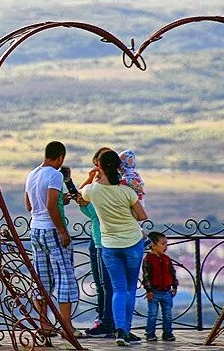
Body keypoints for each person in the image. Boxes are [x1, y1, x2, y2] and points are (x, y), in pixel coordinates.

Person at [82, 149, 148, 347]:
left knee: (118, 289)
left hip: (109, 245)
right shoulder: (126, 191)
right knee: (129, 289)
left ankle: (119, 330)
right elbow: (142, 216)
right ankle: (125, 331)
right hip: (132, 243)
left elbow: (80, 194)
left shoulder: (93, 190)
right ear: (119, 167)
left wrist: (92, 176)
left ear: (99, 166)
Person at [24, 141, 82, 338]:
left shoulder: (32, 173)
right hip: (52, 230)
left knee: (42, 279)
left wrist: (58, 201)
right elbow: (50, 205)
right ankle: (67, 326)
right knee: (65, 276)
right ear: (60, 157)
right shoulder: (55, 175)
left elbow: (29, 205)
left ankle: (45, 324)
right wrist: (62, 231)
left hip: (35, 230)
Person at [78, 148, 115, 338]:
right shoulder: (98, 186)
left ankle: (107, 320)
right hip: (97, 238)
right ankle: (104, 318)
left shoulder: (101, 189)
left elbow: (81, 200)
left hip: (103, 240)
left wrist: (89, 180)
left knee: (106, 285)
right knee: (103, 284)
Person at [142, 231, 177, 342]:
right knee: (152, 314)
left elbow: (172, 272)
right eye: (163, 244)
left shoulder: (166, 259)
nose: (165, 246)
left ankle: (168, 333)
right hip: (154, 291)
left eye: (166, 243)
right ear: (153, 245)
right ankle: (150, 333)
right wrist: (148, 290)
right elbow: (146, 276)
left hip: (166, 291)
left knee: (168, 314)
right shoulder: (148, 259)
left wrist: (174, 285)